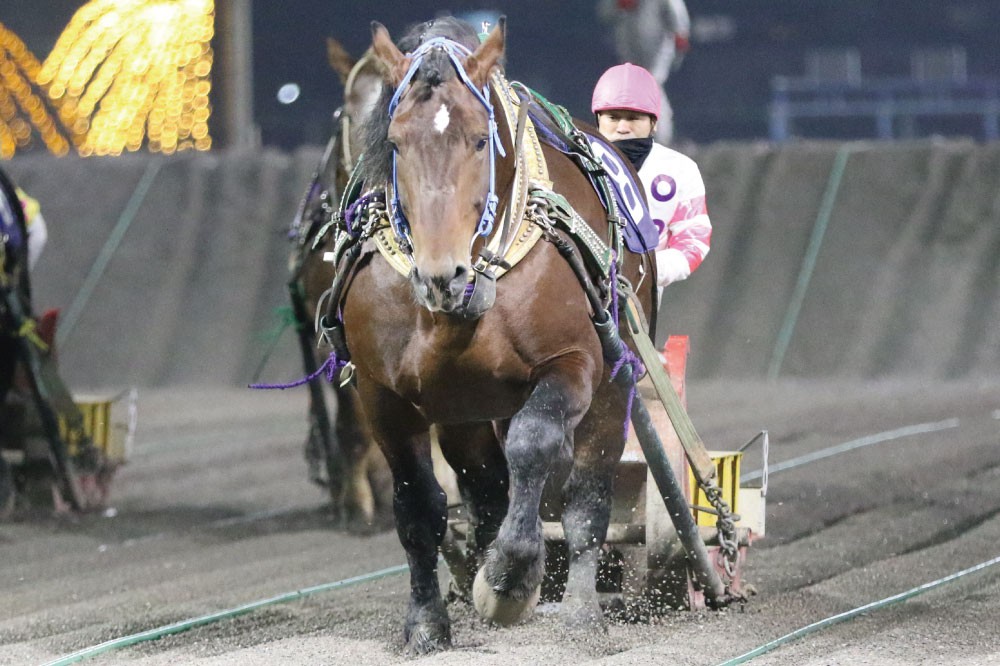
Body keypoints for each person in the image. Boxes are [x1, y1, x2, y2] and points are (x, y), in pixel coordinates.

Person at [591, 62, 711, 297]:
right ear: (598, 120)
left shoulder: (681, 169)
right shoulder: (573, 159)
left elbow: (694, 239)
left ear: (653, 123)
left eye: (634, 118)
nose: (623, 128)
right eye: (613, 117)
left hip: (640, 300)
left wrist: (644, 269)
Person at [597, 0, 691, 144]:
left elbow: (677, 13)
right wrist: (618, 5)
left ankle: (661, 136)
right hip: (628, 45)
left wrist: (680, 33)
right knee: (633, 89)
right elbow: (604, 13)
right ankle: (637, 135)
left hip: (658, 46)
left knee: (652, 85)